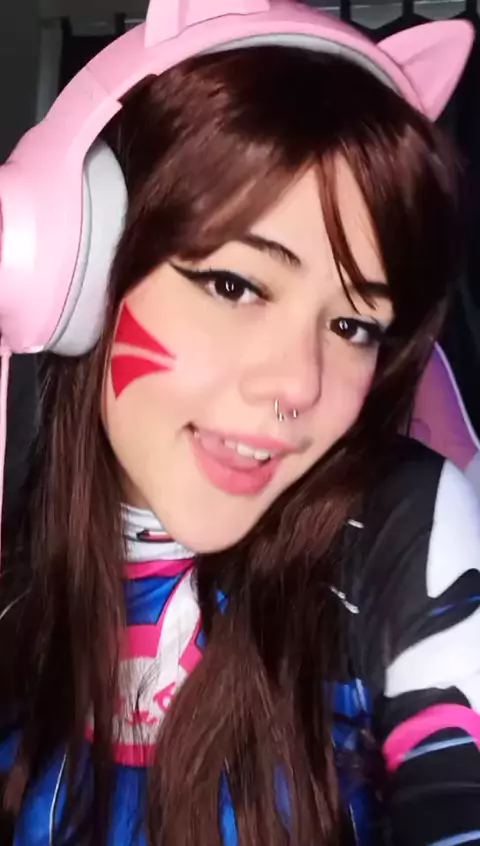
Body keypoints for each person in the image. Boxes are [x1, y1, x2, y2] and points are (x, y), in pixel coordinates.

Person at [0, 1, 479, 844]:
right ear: (81, 276)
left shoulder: (398, 532)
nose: (299, 386)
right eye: (235, 285)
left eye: (352, 325)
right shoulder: (17, 560)